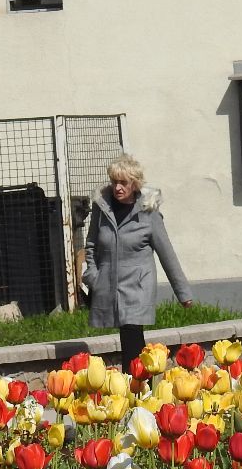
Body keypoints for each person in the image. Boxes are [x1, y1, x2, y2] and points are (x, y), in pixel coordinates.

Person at [82, 154, 194, 368]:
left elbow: (166, 253)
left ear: (134, 184)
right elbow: (91, 245)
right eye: (114, 182)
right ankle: (140, 382)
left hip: (138, 284)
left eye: (123, 182)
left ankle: (134, 381)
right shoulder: (102, 207)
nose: (117, 187)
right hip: (109, 283)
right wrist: (93, 276)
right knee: (129, 336)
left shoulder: (148, 212)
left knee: (131, 332)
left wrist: (183, 293)